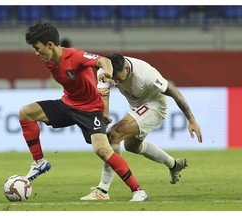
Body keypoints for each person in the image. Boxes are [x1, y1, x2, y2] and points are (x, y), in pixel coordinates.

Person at [20, 22, 148, 202]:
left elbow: (105, 61)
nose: (36, 52)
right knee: (26, 113)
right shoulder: (49, 61)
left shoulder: (75, 56)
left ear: (50, 45)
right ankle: (39, 162)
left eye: (37, 48)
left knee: (103, 150)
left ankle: (138, 191)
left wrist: (108, 73)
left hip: (90, 110)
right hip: (67, 105)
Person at [80, 53, 203, 200]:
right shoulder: (105, 71)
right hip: (137, 107)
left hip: (155, 105)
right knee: (132, 146)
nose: (116, 81)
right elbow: (104, 97)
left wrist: (191, 120)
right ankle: (174, 164)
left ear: (126, 68)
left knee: (114, 135)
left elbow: (174, 92)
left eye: (118, 78)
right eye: (113, 78)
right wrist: (103, 118)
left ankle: (102, 190)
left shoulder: (145, 74)